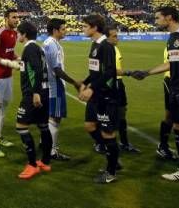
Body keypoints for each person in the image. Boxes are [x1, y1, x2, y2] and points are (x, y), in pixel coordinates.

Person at [132, 6, 179, 182]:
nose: (155, 21)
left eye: (157, 18)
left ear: (169, 18)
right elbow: (171, 63)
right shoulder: (172, 38)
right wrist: (147, 72)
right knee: (178, 128)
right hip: (175, 88)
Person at [78, 14, 120, 184]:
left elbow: (110, 72)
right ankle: (112, 156)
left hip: (106, 96)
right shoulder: (95, 45)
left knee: (107, 134)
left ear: (94, 27)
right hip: (96, 94)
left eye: (85, 26)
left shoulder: (106, 46)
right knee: (89, 126)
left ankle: (111, 171)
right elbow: (96, 71)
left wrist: (92, 88)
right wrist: (85, 82)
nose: (82, 28)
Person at [15, 21, 53, 179]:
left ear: (24, 34)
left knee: (21, 126)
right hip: (44, 91)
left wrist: (35, 93)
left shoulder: (29, 48)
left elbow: (37, 70)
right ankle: (45, 161)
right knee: (43, 126)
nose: (17, 36)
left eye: (18, 33)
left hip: (33, 94)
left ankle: (32, 165)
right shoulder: (37, 47)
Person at [43, 18, 82, 160]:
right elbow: (57, 70)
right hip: (55, 85)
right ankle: (52, 151)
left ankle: (45, 143)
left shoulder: (49, 43)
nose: (66, 31)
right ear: (55, 30)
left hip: (50, 84)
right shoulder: (52, 45)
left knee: (51, 117)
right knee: (55, 117)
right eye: (63, 29)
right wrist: (74, 82)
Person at [0, 9, 20, 157]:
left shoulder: (14, 33)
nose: (16, 19)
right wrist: (7, 62)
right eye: (13, 17)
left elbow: (10, 51)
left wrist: (18, 59)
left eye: (17, 17)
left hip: (7, 76)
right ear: (6, 18)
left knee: (5, 104)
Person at [105, 26, 140, 153]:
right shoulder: (107, 50)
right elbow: (110, 70)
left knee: (121, 112)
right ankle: (104, 143)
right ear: (107, 37)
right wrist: (129, 72)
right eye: (114, 36)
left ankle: (123, 143)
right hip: (112, 84)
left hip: (118, 83)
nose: (117, 38)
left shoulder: (114, 48)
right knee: (110, 115)